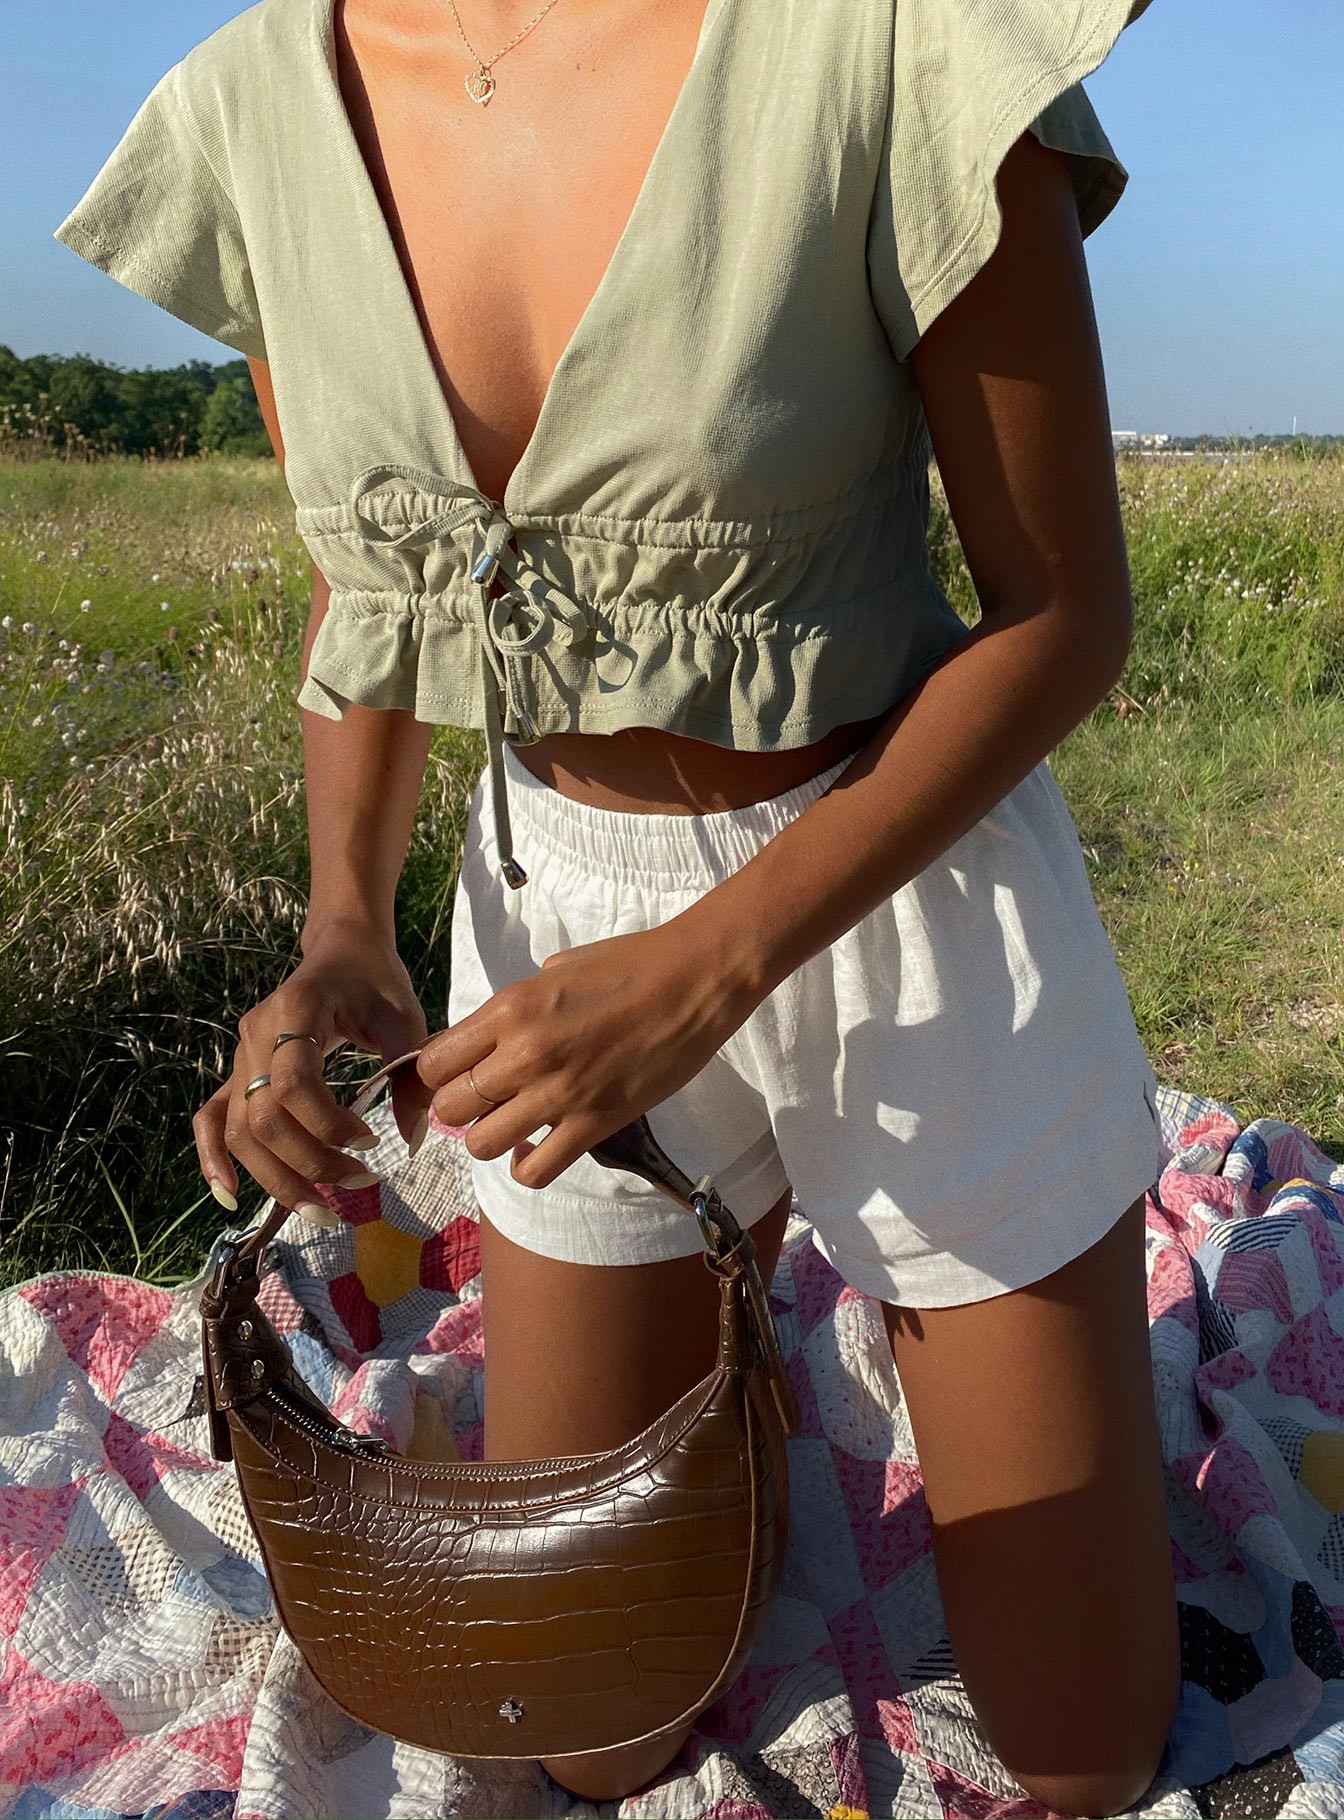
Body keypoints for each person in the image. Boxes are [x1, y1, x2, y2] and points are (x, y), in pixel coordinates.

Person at [55, 0, 1181, 1808]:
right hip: (555, 920)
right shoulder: (261, 109)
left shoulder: (884, 44)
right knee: (594, 1736)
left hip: (901, 905)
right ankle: (758, 1371)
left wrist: (709, 969)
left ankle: (861, 1327)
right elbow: (372, 594)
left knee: (1083, 1757)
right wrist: (345, 922)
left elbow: (1063, 616)